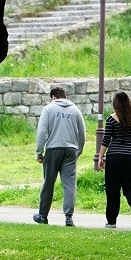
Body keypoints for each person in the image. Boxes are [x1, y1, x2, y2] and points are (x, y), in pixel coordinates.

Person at [33, 86, 86, 227]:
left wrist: (39, 152)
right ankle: (68, 217)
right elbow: (82, 134)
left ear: (53, 97)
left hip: (53, 149)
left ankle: (43, 216)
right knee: (69, 184)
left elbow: (42, 132)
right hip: (71, 150)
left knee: (48, 183)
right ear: (65, 96)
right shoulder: (75, 110)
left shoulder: (48, 109)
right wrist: (78, 152)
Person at [98, 91, 131, 228]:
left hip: (114, 157)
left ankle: (111, 221)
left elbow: (106, 140)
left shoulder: (111, 119)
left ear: (115, 104)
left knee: (113, 189)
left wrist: (100, 157)